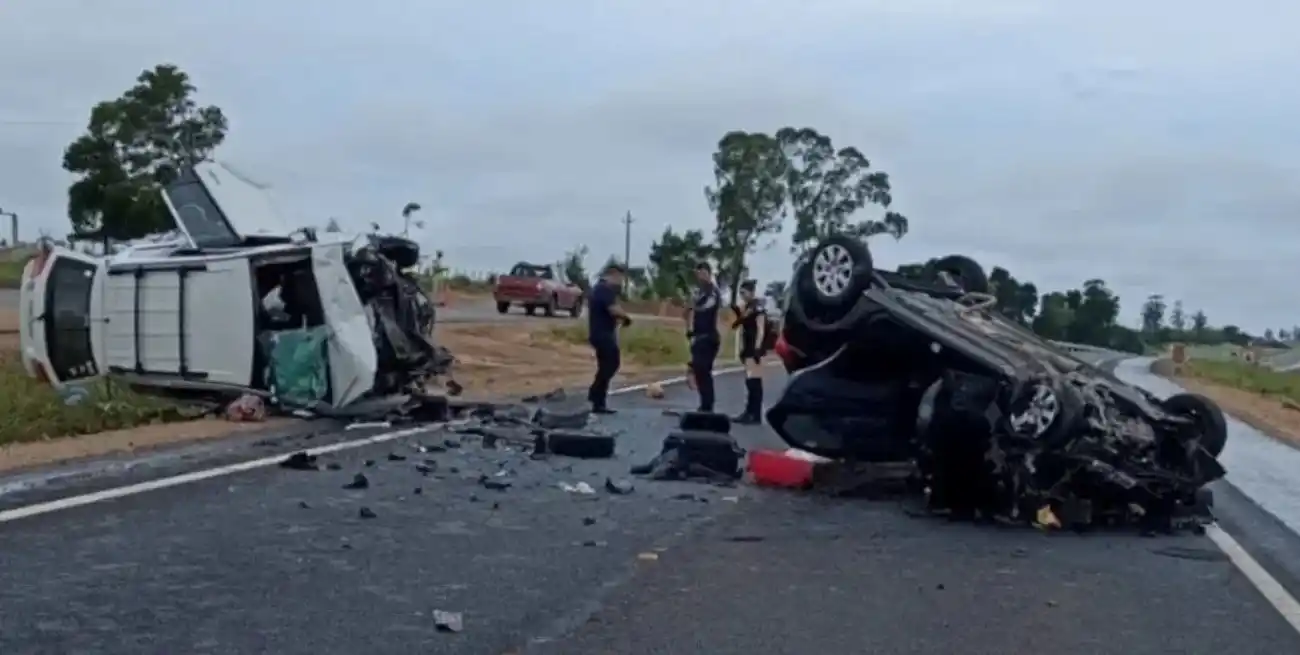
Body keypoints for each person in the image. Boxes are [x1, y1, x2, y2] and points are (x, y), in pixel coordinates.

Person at [586, 263, 631, 414]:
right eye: (619, 277)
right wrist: (625, 318)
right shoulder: (604, 290)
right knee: (612, 363)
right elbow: (613, 309)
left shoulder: (599, 290)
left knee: (605, 366)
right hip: (602, 335)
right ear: (611, 275)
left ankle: (599, 402)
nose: (620, 281)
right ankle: (595, 393)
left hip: (600, 333)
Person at [684, 261, 722, 412]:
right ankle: (704, 403)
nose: (700, 276)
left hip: (709, 336)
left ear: (709, 273)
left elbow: (705, 306)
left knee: (703, 369)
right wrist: (688, 328)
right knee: (700, 371)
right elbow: (687, 312)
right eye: (698, 273)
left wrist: (692, 305)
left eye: (703, 273)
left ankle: (708, 404)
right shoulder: (697, 291)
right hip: (698, 336)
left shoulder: (713, 292)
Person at [730, 279, 768, 424]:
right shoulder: (748, 308)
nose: (742, 295)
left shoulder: (758, 308)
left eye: (744, 292)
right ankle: (751, 412)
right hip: (748, 346)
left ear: (751, 292)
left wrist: (757, 349)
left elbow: (761, 329)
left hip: (754, 347)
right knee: (751, 380)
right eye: (740, 293)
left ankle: (754, 414)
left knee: (754, 381)